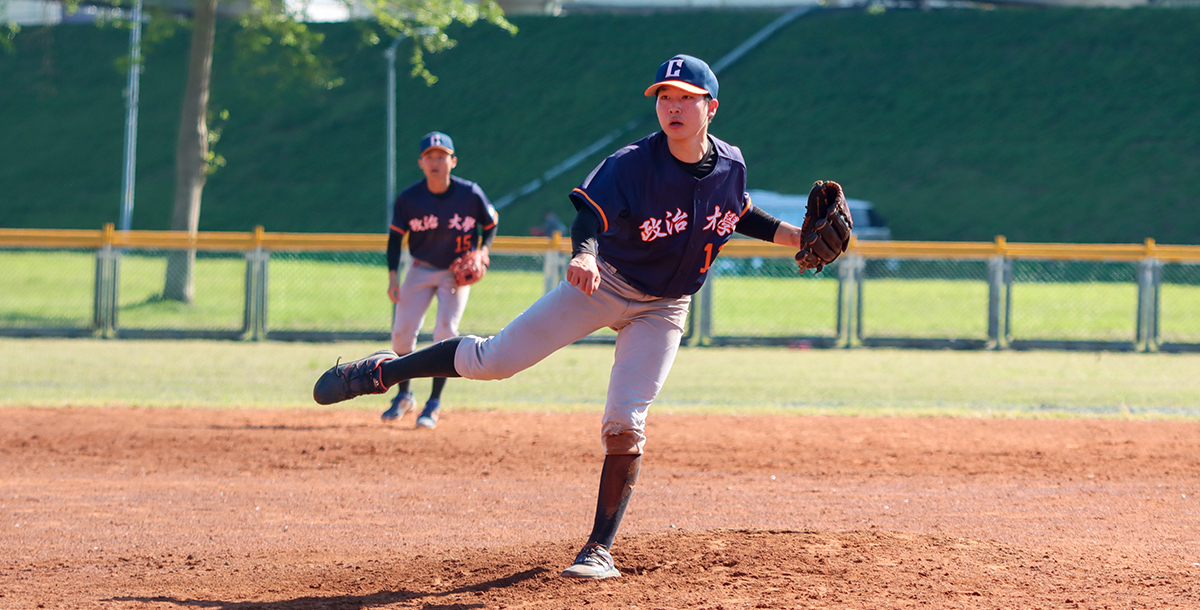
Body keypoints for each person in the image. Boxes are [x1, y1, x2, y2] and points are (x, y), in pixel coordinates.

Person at [314, 55, 813, 578]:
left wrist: (794, 237)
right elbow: (589, 218)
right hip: (605, 281)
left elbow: (738, 212)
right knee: (493, 360)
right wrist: (585, 255)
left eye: (686, 97)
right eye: (665, 97)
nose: (673, 106)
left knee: (626, 423)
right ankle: (380, 372)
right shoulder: (633, 163)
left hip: (665, 308)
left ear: (711, 107)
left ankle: (598, 549)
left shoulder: (731, 164)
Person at [381, 131, 498, 429]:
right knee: (401, 333)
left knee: (445, 332)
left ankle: (433, 401)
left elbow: (491, 224)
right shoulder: (409, 198)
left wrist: (483, 251)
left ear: (453, 161)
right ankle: (405, 395)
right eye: (430, 157)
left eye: (442, 156)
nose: (436, 162)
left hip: (454, 273)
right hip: (420, 268)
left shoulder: (470, 193)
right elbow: (395, 239)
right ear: (421, 162)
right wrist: (394, 276)